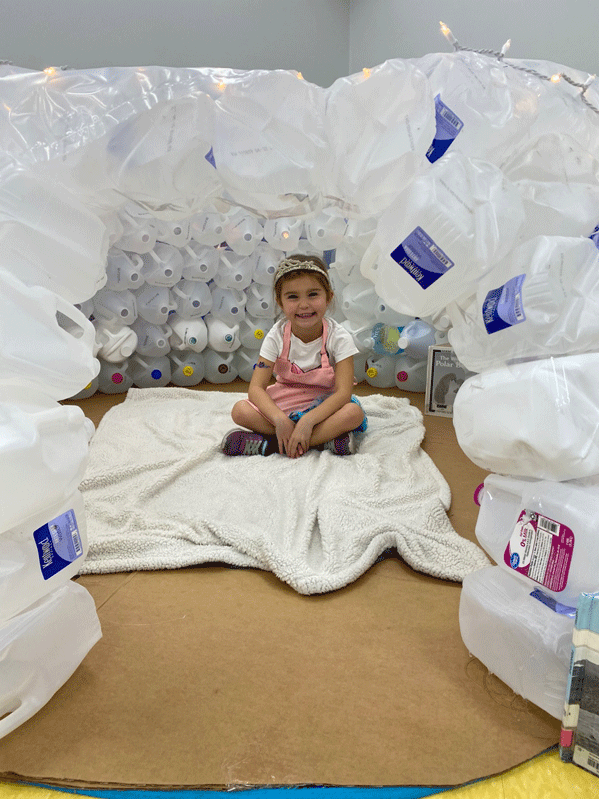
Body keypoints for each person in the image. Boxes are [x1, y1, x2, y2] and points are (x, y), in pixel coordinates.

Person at [222, 254, 367, 458]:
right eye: (292, 297)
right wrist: (279, 420)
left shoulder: (339, 337)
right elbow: (256, 388)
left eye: (313, 294)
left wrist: (308, 421)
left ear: (329, 297)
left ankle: (272, 444)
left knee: (353, 414)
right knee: (240, 411)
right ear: (280, 302)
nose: (304, 304)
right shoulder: (276, 335)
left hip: (324, 402)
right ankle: (322, 441)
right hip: (285, 400)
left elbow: (343, 393)